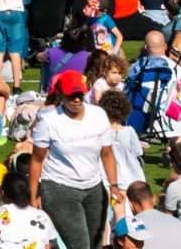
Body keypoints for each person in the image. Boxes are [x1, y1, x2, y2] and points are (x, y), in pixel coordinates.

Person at [29, 70, 121, 249]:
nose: (77, 100)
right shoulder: (49, 122)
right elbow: (37, 160)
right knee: (80, 245)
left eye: (79, 94)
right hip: (59, 188)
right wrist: (34, 196)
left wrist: (114, 185)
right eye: (72, 96)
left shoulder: (98, 115)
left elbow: (107, 154)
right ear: (61, 95)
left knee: (95, 244)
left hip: (94, 188)